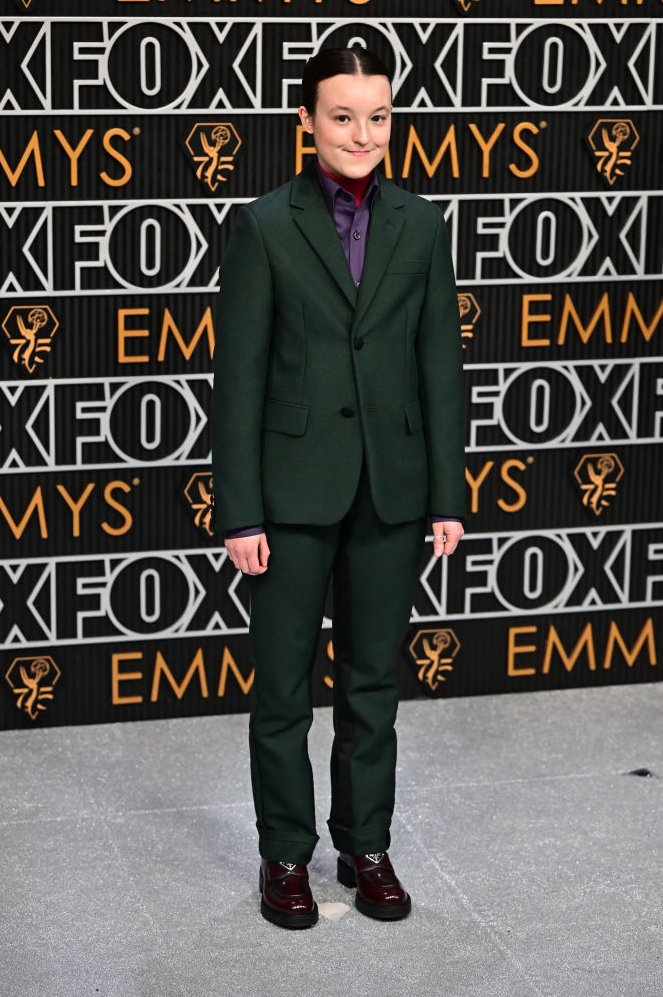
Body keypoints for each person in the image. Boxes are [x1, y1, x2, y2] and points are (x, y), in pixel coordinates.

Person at [211, 45, 465, 929]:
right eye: (344, 116)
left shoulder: (422, 224)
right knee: (283, 689)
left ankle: (366, 846)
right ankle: (285, 853)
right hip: (289, 494)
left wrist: (447, 494)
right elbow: (238, 380)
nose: (363, 134)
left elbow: (441, 366)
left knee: (371, 686)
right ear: (308, 122)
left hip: (391, 490)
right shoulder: (264, 226)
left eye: (378, 117)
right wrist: (240, 511)